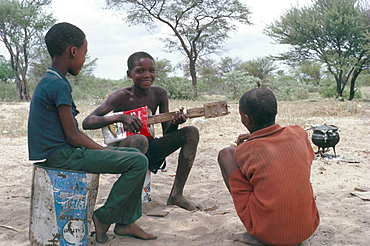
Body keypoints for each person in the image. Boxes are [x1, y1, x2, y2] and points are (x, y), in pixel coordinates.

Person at [27, 23, 157, 243]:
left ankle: (125, 223)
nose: (85, 59)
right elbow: (73, 135)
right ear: (73, 51)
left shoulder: (50, 80)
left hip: (64, 152)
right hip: (64, 155)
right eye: (84, 53)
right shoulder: (58, 85)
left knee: (136, 158)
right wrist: (104, 150)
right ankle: (105, 217)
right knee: (137, 162)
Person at [82, 51, 200, 211]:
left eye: (151, 70)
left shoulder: (159, 94)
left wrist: (175, 123)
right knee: (139, 140)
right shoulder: (121, 97)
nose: (147, 75)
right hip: (125, 150)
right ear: (129, 74)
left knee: (191, 132)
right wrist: (119, 118)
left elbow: (167, 134)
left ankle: (176, 195)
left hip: (150, 147)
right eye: (140, 71)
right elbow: (87, 122)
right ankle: (130, 201)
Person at [217, 88, 319, 246]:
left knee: (226, 154)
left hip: (269, 234)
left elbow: (244, 168)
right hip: (306, 228)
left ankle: (255, 232)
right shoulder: (299, 133)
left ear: (246, 119)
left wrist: (245, 144)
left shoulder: (247, 150)